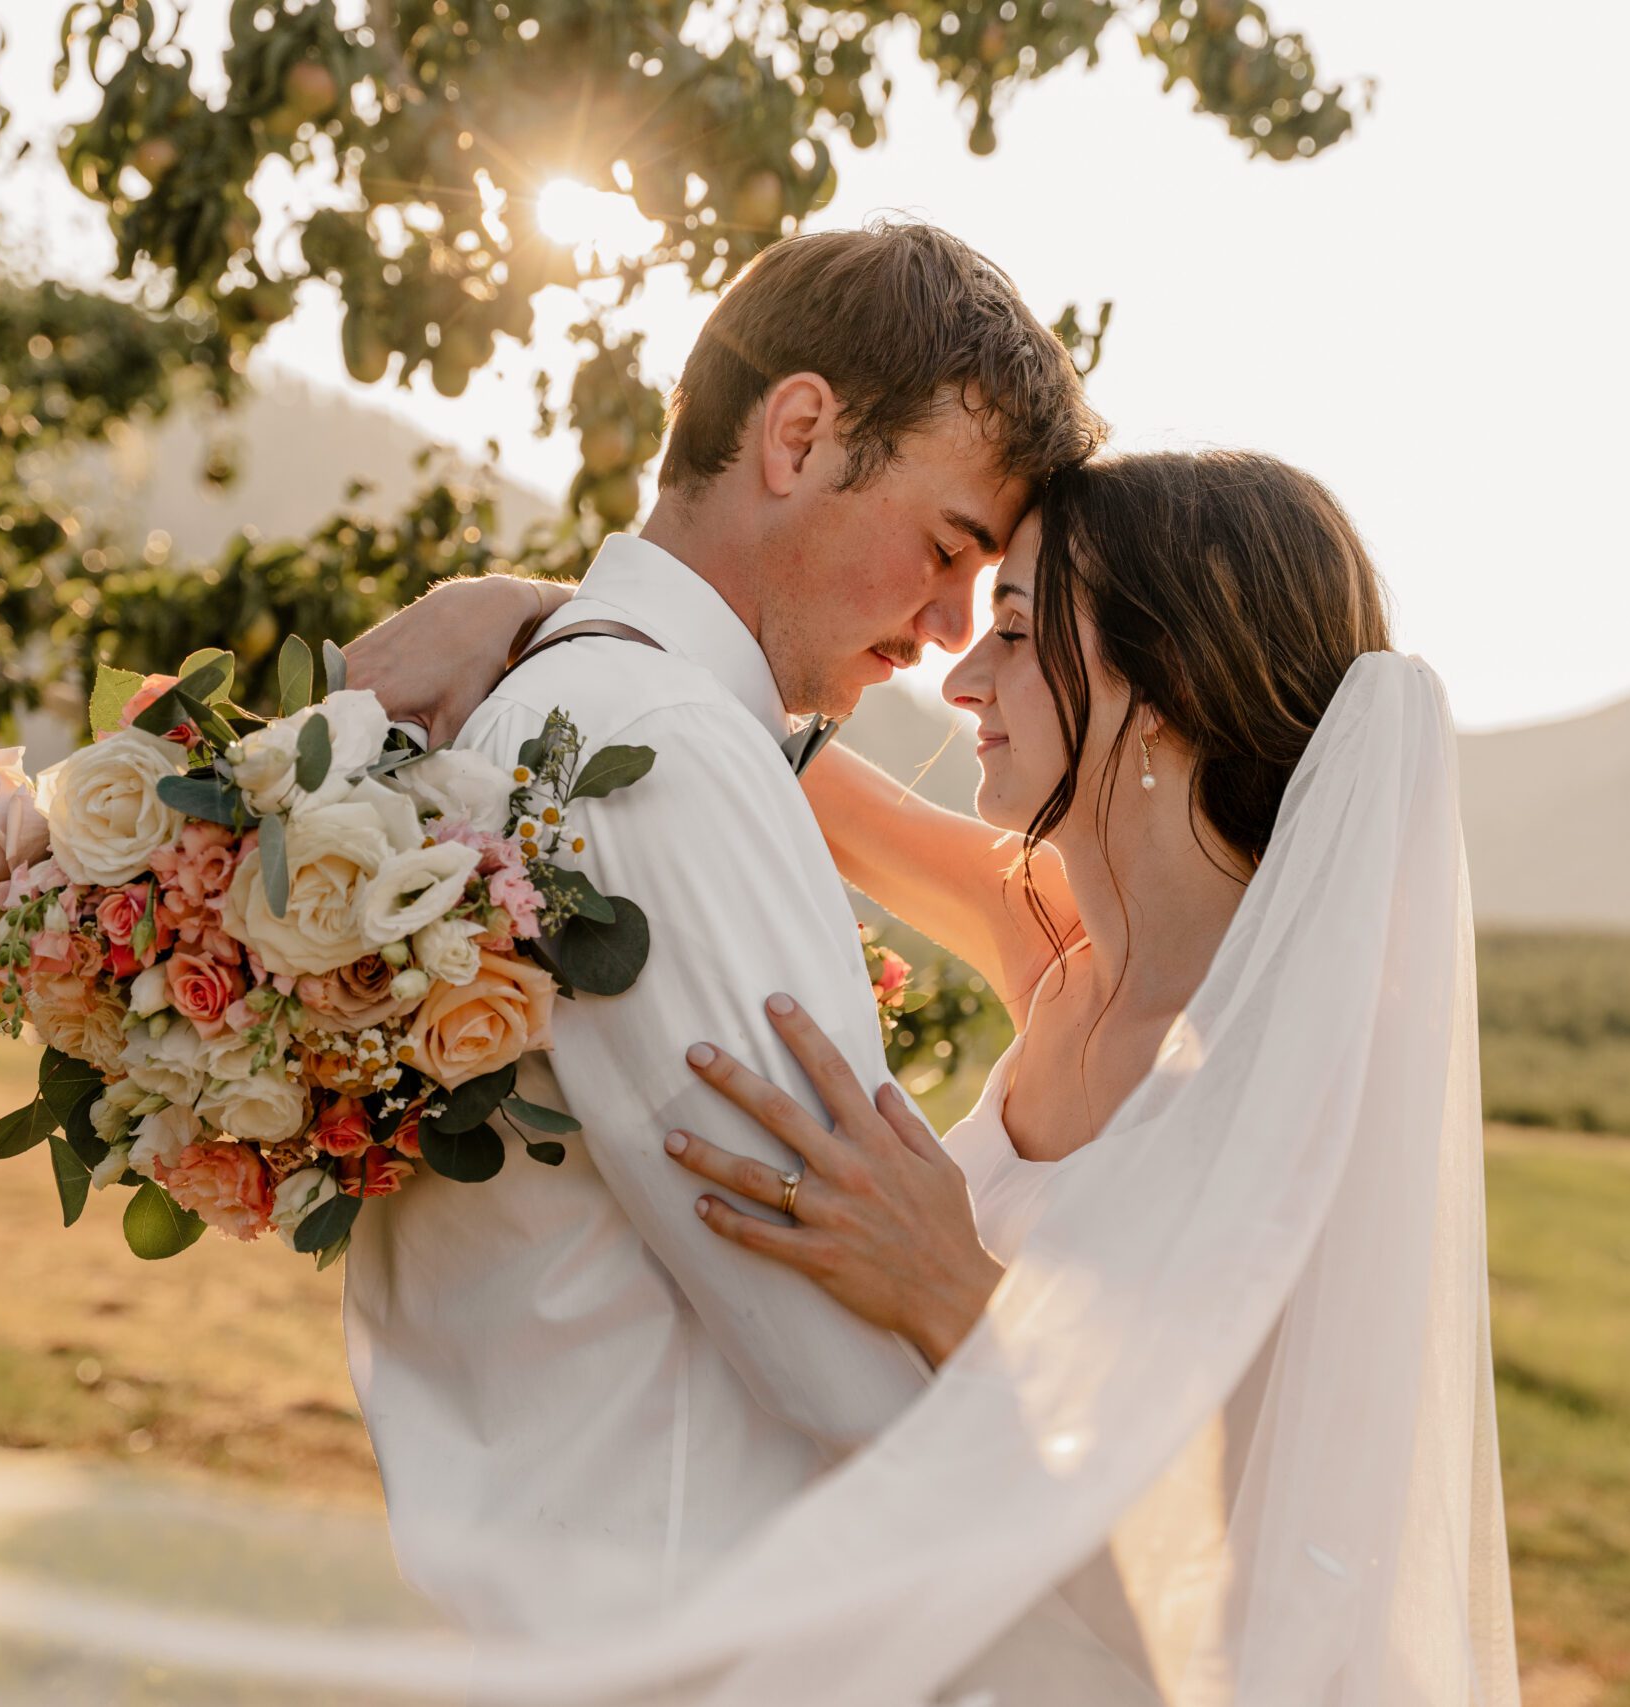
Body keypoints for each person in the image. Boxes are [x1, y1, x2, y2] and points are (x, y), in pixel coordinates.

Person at [351, 448, 1520, 1704]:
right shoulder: (1057, 937)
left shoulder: (1305, 1068)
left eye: (1014, 632)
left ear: (1166, 688)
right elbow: (725, 720)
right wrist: (524, 610)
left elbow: (1250, 1566)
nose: (961, 679)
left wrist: (953, 1292)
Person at [334, 217, 1110, 1647]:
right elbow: (845, 1346)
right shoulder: (664, 748)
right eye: (949, 548)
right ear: (800, 435)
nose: (954, 627)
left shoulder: (568, 703)